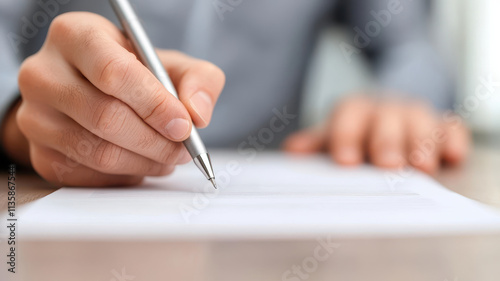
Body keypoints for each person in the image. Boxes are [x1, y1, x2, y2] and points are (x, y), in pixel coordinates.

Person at [0, 0, 469, 186]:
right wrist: (18, 114)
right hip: (48, 182)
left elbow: (410, 44)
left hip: (277, 209)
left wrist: (400, 100)